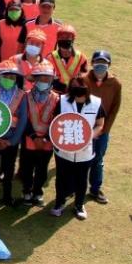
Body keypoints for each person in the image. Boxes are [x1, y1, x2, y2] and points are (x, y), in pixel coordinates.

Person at [50, 76, 105, 220]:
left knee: (81, 179)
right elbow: (55, 122)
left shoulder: (96, 103)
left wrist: (90, 136)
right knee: (61, 178)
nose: (79, 98)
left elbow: (100, 124)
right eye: (76, 94)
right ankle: (59, 203)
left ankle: (79, 205)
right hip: (63, 151)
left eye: (82, 94)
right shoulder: (62, 101)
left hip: (85, 151)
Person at [0, 60, 28, 208]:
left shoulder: (22, 96)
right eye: (5, 76)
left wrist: (12, 141)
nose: (9, 79)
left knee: (9, 170)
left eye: (12, 77)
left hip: (11, 140)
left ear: (17, 79)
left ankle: (7, 197)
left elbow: (22, 120)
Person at [19, 60, 59, 207]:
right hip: (29, 140)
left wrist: (46, 138)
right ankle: (26, 191)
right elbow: (23, 119)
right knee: (27, 168)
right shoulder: (24, 96)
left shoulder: (57, 99)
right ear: (34, 79)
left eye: (47, 78)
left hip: (47, 143)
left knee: (42, 169)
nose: (43, 80)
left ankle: (38, 192)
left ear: (51, 79)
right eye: (40, 77)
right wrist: (35, 137)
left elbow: (57, 121)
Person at [87, 49, 121, 204]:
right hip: (83, 127)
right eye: (97, 63)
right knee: (78, 160)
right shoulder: (83, 80)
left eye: (104, 63)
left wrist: (104, 130)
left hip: (102, 130)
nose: (100, 66)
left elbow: (114, 109)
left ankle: (95, 189)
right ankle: (72, 189)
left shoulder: (115, 84)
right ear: (92, 63)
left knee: (98, 160)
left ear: (109, 65)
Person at [50, 24, 88, 92]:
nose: (65, 39)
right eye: (62, 37)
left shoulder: (81, 57)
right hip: (55, 94)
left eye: (68, 37)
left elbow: (84, 75)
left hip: (73, 95)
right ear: (58, 39)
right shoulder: (50, 57)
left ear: (73, 39)